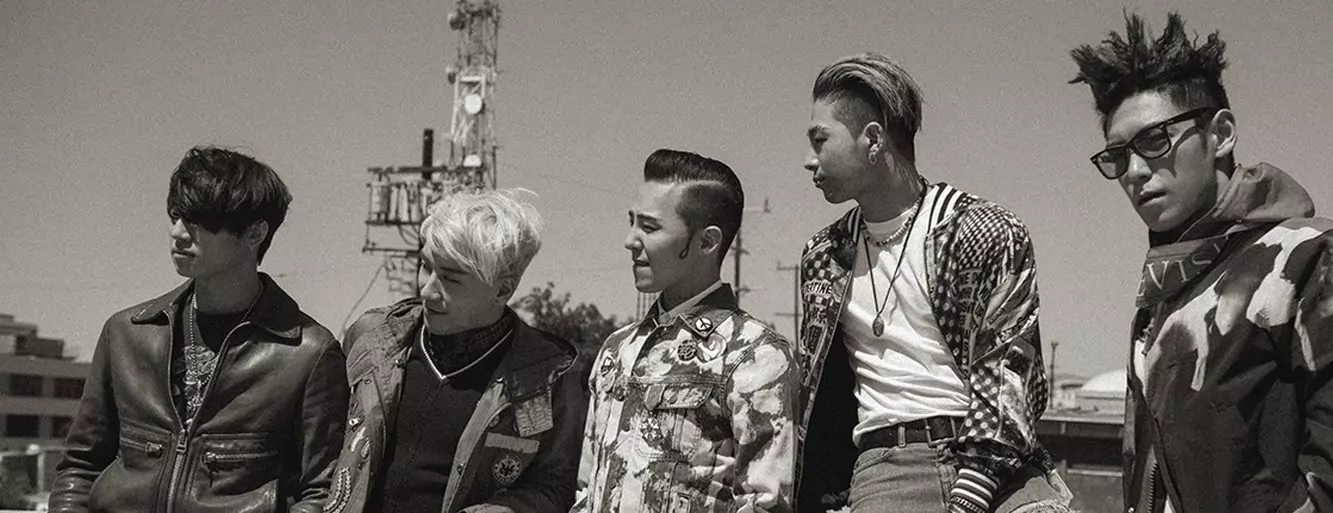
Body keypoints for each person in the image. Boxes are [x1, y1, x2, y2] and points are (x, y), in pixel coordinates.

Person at [1068, 12, 1333, 512]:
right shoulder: (1164, 297)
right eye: (1118, 155)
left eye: (1155, 140)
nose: (1134, 171)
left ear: (1222, 134)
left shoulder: (1323, 259)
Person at [796, 53, 1071, 513]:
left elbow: (1010, 373)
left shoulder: (983, 230)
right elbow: (822, 402)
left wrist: (972, 492)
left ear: (873, 140)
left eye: (820, 140)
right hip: (888, 471)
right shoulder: (825, 256)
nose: (808, 160)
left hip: (999, 465)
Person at [51, 146, 349, 512]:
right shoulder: (128, 334)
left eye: (199, 221)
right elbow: (80, 467)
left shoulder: (307, 354)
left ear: (255, 233)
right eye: (176, 216)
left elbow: (322, 492)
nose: (177, 233)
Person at [329, 189, 586, 513]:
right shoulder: (373, 338)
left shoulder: (549, 376)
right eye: (426, 266)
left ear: (503, 289)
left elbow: (557, 486)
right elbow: (321, 459)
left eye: (451, 279)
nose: (427, 290)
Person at [572, 149, 800, 512]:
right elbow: (586, 490)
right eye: (632, 223)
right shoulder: (617, 349)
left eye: (649, 227)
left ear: (707, 242)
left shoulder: (754, 354)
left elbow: (764, 503)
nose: (630, 240)